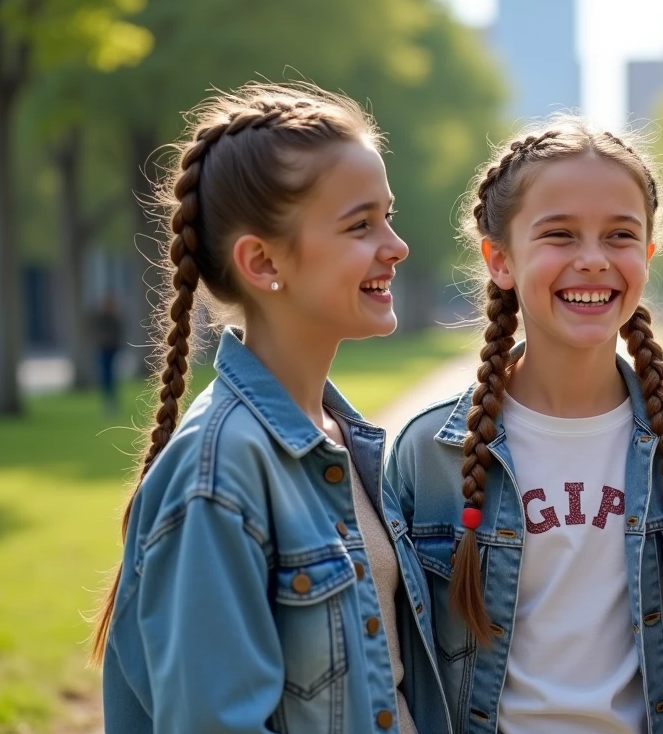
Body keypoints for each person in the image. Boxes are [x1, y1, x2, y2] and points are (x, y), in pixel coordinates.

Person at [92, 83, 450, 734]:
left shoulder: (345, 441)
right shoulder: (217, 476)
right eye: (360, 225)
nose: (396, 246)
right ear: (262, 262)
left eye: (388, 216)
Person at [383, 119, 663, 734]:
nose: (594, 260)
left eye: (621, 236)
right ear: (500, 259)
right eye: (559, 235)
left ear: (648, 256)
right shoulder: (429, 454)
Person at [91, 295, 123, 414]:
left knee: (111, 375)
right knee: (105, 375)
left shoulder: (114, 319)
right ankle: (107, 400)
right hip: (103, 349)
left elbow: (118, 334)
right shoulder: (102, 319)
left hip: (112, 349)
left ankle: (112, 400)